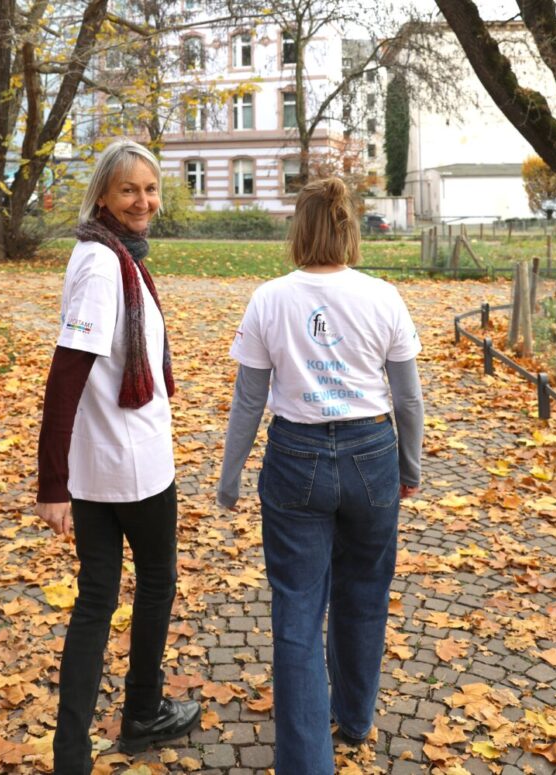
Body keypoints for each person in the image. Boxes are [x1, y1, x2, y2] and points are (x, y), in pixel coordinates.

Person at [217, 177, 424, 775]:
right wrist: (409, 467)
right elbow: (408, 401)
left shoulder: (269, 298)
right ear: (349, 228)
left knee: (298, 609)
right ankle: (355, 718)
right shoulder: (384, 296)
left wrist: (230, 476)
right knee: (364, 595)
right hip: (371, 454)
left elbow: (249, 401)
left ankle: (308, 763)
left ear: (298, 230)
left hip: (295, 458)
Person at [35, 139, 200, 775]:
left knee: (97, 596)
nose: (144, 201)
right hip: (130, 465)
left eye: (151, 189)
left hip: (101, 462)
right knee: (153, 582)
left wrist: (64, 475)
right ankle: (141, 715)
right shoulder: (106, 268)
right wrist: (52, 483)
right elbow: (66, 372)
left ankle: (72, 755)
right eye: (129, 190)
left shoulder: (102, 253)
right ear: (103, 193)